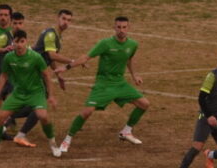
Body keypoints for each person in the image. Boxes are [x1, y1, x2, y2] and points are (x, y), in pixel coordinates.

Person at [55, 16, 149, 156]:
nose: (121, 30)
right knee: (87, 112)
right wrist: (67, 67)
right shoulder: (105, 43)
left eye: (124, 27)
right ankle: (67, 139)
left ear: (129, 28)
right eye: (118, 27)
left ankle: (126, 131)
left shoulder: (132, 44)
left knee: (144, 104)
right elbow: (85, 57)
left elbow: (129, 58)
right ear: (114, 27)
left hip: (120, 83)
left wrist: (134, 75)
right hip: (103, 84)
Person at [0, 31, 61, 158]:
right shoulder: (9, 57)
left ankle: (53, 144)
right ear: (13, 42)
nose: (19, 45)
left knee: (43, 116)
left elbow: (47, 75)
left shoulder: (35, 57)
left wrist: (51, 95)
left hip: (36, 93)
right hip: (18, 93)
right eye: (16, 41)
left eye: (22, 41)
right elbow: (4, 75)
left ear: (26, 42)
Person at [13, 9, 76, 148]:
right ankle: (18, 132)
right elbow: (52, 55)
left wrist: (58, 74)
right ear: (57, 18)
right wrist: (72, 62)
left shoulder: (56, 35)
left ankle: (10, 119)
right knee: (39, 106)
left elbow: (49, 58)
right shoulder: (50, 34)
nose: (66, 22)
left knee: (35, 105)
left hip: (34, 71)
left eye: (69, 20)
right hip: (32, 71)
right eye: (64, 19)